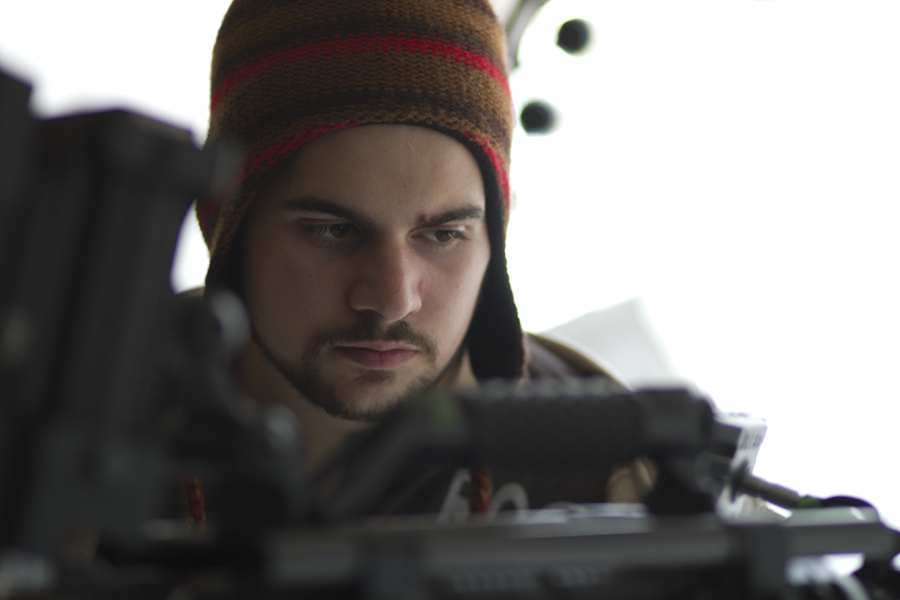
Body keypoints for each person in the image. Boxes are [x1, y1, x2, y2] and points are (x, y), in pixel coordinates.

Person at [194, 0, 654, 521]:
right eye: (332, 230)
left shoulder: (607, 469)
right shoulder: (118, 410)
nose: (393, 300)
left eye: (443, 235)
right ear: (225, 223)